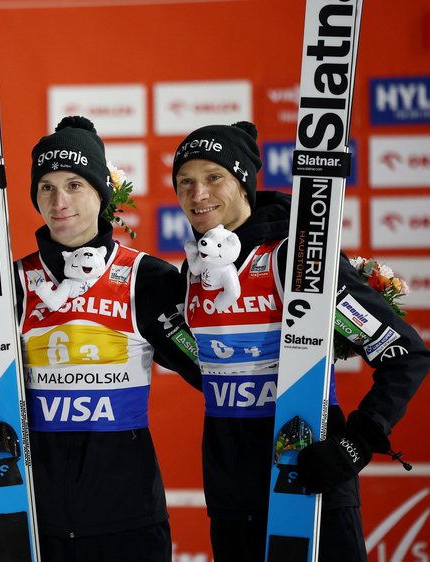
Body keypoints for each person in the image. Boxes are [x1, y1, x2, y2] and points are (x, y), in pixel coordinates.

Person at [171, 121, 430, 562]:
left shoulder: (297, 255)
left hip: (313, 485)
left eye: (214, 178)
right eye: (185, 182)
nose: (198, 194)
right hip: (233, 497)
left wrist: (355, 444)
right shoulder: (195, 272)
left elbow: (404, 353)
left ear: (243, 183)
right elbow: (208, 368)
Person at [12, 116, 202, 561]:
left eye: (75, 185)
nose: (59, 201)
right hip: (34, 521)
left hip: (127, 522)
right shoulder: (12, 282)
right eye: (46, 187)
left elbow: (212, 372)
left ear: (102, 192)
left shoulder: (146, 278)